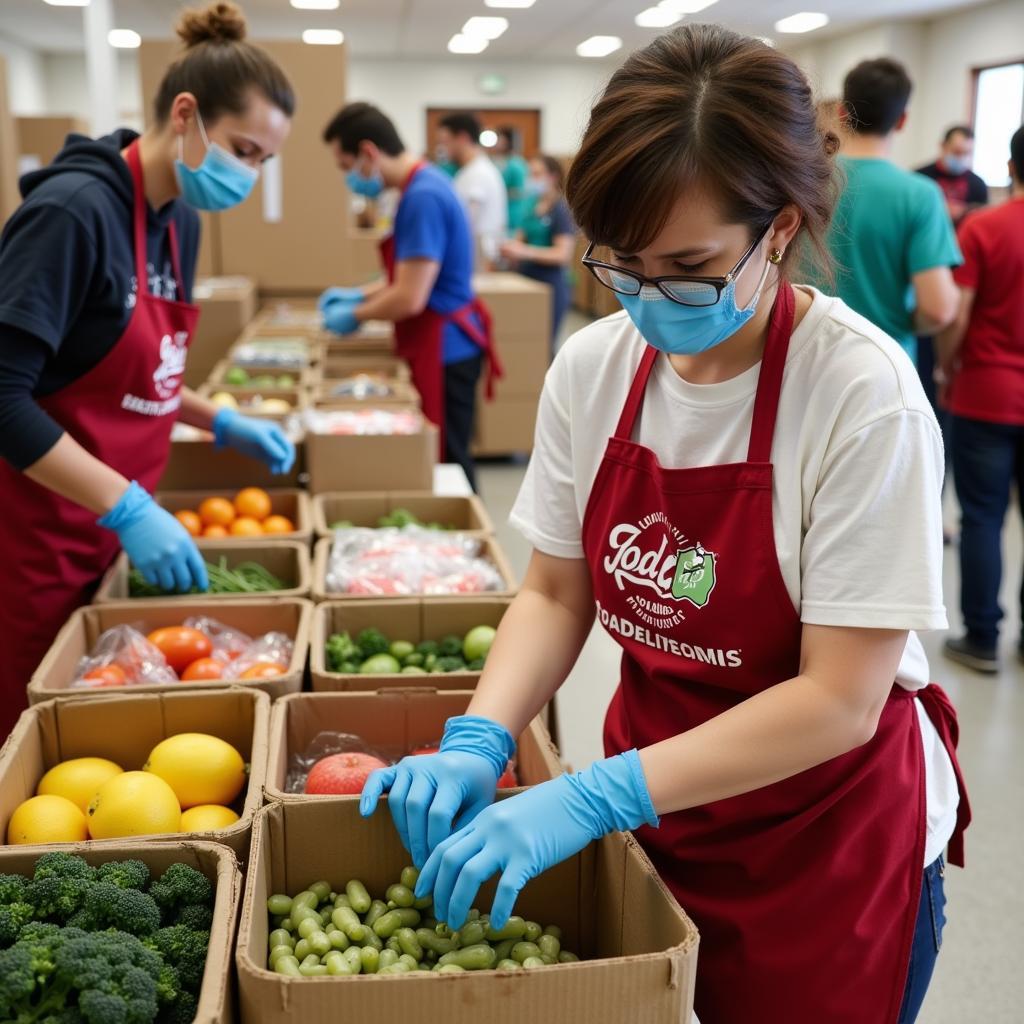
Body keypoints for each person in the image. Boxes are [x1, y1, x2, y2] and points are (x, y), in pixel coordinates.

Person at [361, 25, 970, 1024]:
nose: (647, 299)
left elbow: (836, 700)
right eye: (620, 264)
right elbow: (557, 589)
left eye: (686, 266)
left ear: (775, 227)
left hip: (819, 835)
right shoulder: (594, 368)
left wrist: (594, 795)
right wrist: (481, 734)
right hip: (664, 803)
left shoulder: (860, 393)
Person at [0, 1, 295, 739]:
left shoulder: (179, 221)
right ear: (185, 114)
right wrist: (126, 506)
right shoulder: (73, 215)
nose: (249, 174)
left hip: (106, 531)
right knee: (32, 733)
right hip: (35, 537)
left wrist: (217, 417)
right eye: (244, 149)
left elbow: (136, 367)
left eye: (263, 161)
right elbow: (3, 394)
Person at [319, 103, 502, 490]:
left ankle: (460, 536)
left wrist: (358, 314)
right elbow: (407, 275)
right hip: (442, 339)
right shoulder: (421, 185)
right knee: (446, 451)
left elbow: (409, 297)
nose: (347, 178)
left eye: (344, 166)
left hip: (445, 348)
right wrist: (358, 294)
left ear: (369, 153)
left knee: (447, 460)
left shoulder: (423, 197)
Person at [937, 126, 1024, 674]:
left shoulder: (984, 226)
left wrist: (946, 365)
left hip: (987, 393)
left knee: (983, 518)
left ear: (1011, 168)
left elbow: (957, 314)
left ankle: (983, 638)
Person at [820, 58, 961, 364]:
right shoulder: (920, 195)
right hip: (883, 361)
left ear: (842, 113)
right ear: (901, 121)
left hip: (802, 352)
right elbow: (939, 309)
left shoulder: (806, 181)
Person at [499, 154, 576, 347]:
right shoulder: (531, 205)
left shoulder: (560, 210)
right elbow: (520, 237)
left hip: (551, 283)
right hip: (525, 280)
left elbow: (562, 255)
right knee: (525, 344)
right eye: (530, 174)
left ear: (553, 176)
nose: (531, 179)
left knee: (543, 346)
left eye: (537, 174)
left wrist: (524, 251)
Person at [437, 112, 507, 270]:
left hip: (478, 260)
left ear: (462, 138)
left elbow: (466, 220)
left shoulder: (479, 173)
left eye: (445, 142)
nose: (442, 148)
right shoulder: (467, 172)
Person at [917, 125, 989, 226]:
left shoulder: (978, 184)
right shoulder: (920, 177)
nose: (962, 158)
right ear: (943, 146)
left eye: (967, 153)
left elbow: (982, 220)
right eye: (957, 152)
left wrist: (964, 211)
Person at [492, 126, 530, 233]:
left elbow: (522, 190)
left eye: (499, 139)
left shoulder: (516, 164)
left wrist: (502, 192)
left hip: (515, 210)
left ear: (506, 141)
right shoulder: (502, 162)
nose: (497, 143)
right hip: (505, 209)